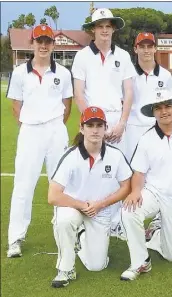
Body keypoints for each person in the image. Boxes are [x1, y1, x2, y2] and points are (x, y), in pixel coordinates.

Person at [120, 91, 172, 281]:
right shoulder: (147, 138)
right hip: (154, 192)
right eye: (158, 108)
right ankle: (140, 262)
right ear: (153, 112)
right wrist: (135, 191)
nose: (164, 111)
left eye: (167, 106)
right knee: (129, 210)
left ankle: (157, 231)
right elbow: (139, 172)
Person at [6, 24, 73, 258]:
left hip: (56, 131)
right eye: (39, 41)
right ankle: (15, 238)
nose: (43, 45)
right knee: (23, 185)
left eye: (47, 41)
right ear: (32, 44)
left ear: (53, 44)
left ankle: (64, 235)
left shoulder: (63, 74)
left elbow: (67, 107)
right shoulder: (19, 73)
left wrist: (53, 126)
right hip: (30, 131)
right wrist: (30, 126)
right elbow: (16, 105)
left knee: (61, 184)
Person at [48, 106, 132, 288]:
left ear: (105, 128)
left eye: (99, 125)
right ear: (81, 128)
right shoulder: (70, 156)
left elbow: (127, 186)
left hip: (100, 210)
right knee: (64, 220)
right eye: (90, 125)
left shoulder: (115, 155)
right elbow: (53, 196)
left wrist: (100, 205)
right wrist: (82, 205)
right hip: (73, 207)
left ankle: (81, 234)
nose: (95, 130)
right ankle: (65, 269)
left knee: (97, 266)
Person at [71, 8, 136, 237]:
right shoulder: (82, 56)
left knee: (119, 173)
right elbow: (79, 93)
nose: (105, 30)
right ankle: (86, 218)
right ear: (93, 30)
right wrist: (92, 123)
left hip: (117, 120)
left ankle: (117, 224)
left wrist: (122, 123)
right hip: (93, 120)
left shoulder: (124, 56)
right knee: (91, 170)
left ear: (113, 29)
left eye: (109, 26)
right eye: (100, 26)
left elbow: (128, 92)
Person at [125, 32, 172, 161]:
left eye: (149, 46)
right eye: (142, 47)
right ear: (136, 49)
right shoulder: (128, 74)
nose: (146, 50)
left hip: (157, 126)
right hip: (133, 128)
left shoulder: (166, 75)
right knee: (134, 166)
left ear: (155, 48)